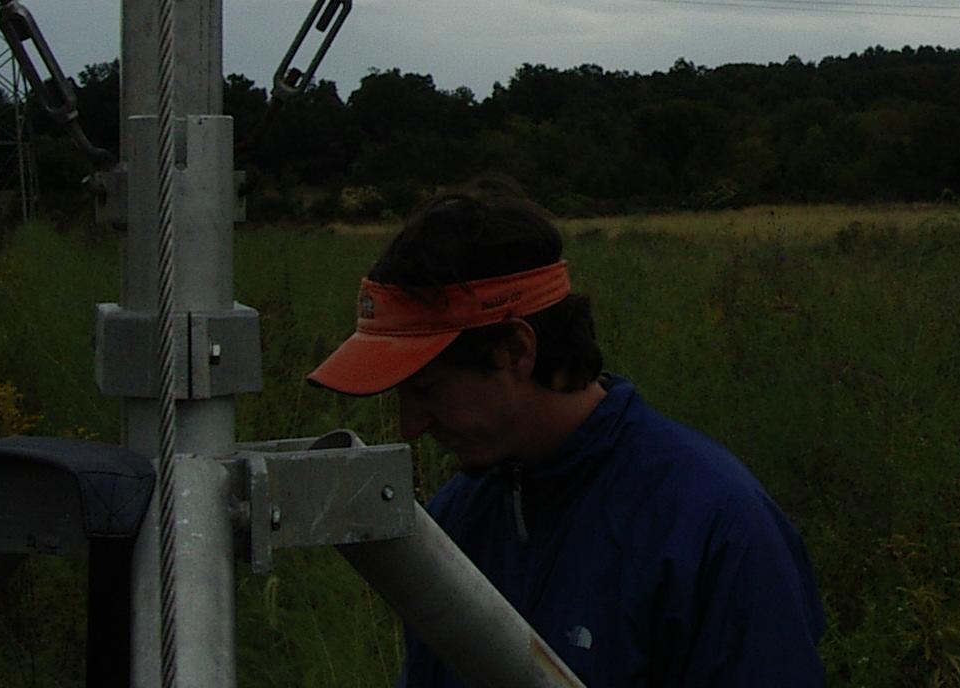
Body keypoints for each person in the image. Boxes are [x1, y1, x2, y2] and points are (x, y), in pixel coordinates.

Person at [308, 189, 827, 687]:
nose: (410, 426)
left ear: (515, 350)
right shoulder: (456, 521)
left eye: (427, 390)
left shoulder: (714, 531)